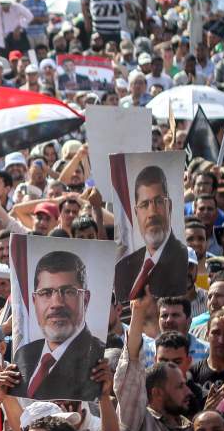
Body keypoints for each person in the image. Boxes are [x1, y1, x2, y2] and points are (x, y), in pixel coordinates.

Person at [14, 250, 105, 401]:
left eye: (68, 291)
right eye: (46, 293)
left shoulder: (100, 360)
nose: (56, 303)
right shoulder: (24, 354)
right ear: (34, 300)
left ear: (86, 299)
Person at [115, 165, 191, 300]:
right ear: (136, 213)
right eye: (144, 205)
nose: (152, 213)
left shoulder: (185, 261)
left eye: (159, 202)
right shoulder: (122, 268)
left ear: (170, 206)